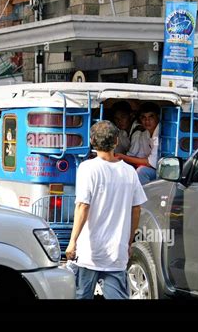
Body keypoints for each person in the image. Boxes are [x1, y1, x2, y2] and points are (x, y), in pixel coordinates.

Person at [65, 120, 148, 299]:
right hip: (116, 253)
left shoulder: (88, 168)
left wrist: (72, 242)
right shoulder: (129, 172)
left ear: (92, 142)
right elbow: (137, 209)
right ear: (116, 141)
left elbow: (82, 206)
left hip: (89, 252)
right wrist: (129, 242)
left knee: (81, 296)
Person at [115, 102, 160, 185]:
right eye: (143, 117)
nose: (147, 121)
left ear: (158, 117)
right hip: (151, 167)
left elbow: (151, 162)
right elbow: (140, 156)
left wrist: (122, 157)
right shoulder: (145, 134)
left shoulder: (158, 133)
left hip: (162, 171)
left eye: (151, 117)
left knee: (141, 171)